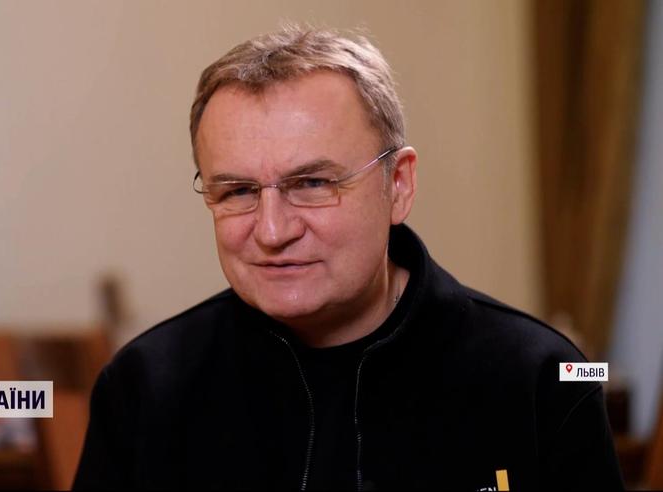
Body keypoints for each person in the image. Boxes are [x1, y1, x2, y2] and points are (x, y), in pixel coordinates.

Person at [72, 26, 623, 490]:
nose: (272, 231)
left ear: (398, 186)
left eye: (312, 183)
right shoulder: (142, 386)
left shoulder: (541, 378)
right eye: (238, 191)